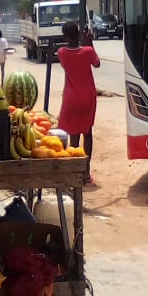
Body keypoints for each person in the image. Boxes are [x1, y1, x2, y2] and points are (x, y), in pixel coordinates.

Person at [57, 21, 100, 184]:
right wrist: (90, 43)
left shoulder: (61, 52)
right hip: (87, 96)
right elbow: (97, 64)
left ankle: (75, 171)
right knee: (87, 133)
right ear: (79, 33)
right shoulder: (88, 51)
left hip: (70, 97)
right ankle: (86, 172)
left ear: (64, 35)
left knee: (73, 136)